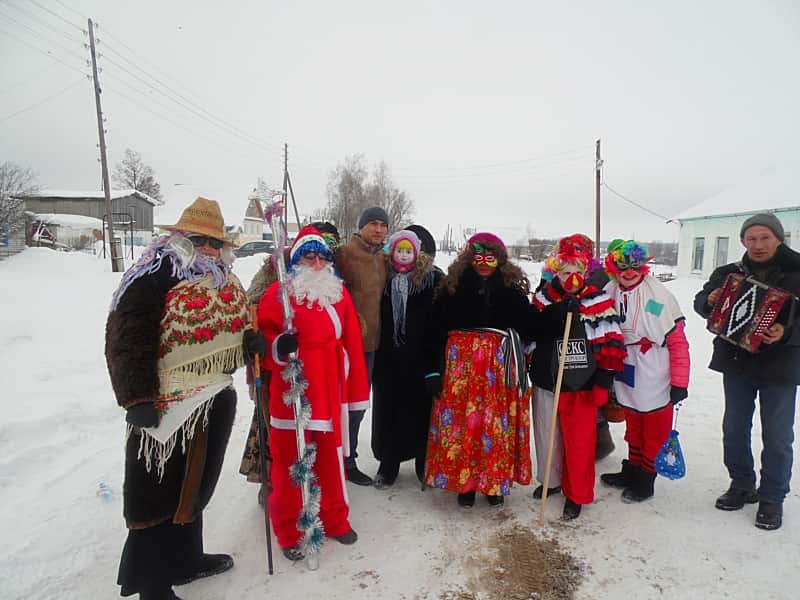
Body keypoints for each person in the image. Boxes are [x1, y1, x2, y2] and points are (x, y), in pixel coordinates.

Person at [105, 197, 262, 600]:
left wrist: (250, 346)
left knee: (194, 487)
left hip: (213, 398)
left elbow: (228, 334)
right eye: (197, 239)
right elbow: (128, 335)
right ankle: (152, 584)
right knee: (157, 492)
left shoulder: (225, 281)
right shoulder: (153, 274)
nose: (207, 248)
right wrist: (136, 397)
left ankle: (187, 560)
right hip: (165, 401)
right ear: (178, 238)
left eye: (214, 242)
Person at [258, 225, 369, 560]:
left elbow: (352, 342)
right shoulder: (278, 294)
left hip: (330, 388)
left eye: (323, 257)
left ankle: (335, 519)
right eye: (309, 256)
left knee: (331, 458)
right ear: (296, 260)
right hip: (293, 390)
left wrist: (356, 391)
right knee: (291, 463)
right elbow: (263, 342)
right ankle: (289, 529)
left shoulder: (339, 293)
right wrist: (279, 346)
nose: (317, 263)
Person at [424, 232, 551, 508]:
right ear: (469, 258)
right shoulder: (452, 288)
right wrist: (433, 371)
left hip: (498, 369)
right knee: (463, 426)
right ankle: (466, 485)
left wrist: (557, 309)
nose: (483, 263)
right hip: (461, 369)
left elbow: (532, 325)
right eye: (478, 257)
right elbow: (434, 331)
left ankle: (493, 483)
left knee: (494, 426)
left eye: (490, 258)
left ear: (499, 260)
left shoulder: (510, 290)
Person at [694, 213, 800, 531]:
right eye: (751, 239)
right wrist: (710, 301)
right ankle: (741, 484)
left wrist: (785, 332)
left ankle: (772, 498)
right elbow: (701, 301)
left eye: (765, 237)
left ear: (779, 238)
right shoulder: (730, 273)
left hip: (781, 366)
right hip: (737, 362)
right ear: (742, 241)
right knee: (734, 428)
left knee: (778, 436)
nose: (758, 245)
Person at [239, 221, 341, 505]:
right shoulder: (274, 270)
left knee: (315, 435)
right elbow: (251, 309)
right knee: (273, 429)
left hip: (316, 373)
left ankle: (315, 490)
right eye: (310, 251)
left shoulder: (329, 274)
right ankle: (271, 482)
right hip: (277, 371)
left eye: (325, 248)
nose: (317, 259)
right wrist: (265, 340)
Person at [530, 241, 625, 519]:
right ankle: (552, 480)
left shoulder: (598, 301)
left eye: (577, 272)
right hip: (548, 380)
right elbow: (531, 335)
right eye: (564, 273)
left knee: (579, 443)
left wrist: (604, 380)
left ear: (585, 273)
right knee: (548, 437)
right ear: (555, 273)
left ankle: (576, 493)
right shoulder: (543, 299)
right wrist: (554, 315)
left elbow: (611, 342)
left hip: (582, 385)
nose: (570, 279)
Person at [600, 240, 690, 502]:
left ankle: (646, 477)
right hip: (625, 363)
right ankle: (633, 468)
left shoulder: (657, 297)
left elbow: (677, 341)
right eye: (622, 267)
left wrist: (680, 382)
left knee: (654, 426)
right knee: (633, 421)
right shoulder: (610, 291)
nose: (629, 273)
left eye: (635, 266)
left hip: (654, 368)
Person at [371, 230, 444, 488]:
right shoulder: (382, 276)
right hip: (387, 359)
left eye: (409, 250)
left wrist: (435, 366)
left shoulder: (432, 280)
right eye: (399, 250)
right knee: (388, 413)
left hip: (420, 359)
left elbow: (439, 324)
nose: (403, 255)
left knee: (421, 412)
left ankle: (423, 463)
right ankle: (388, 463)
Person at [538, 233, 615, 461]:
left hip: (587, 355)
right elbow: (543, 298)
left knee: (587, 413)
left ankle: (597, 444)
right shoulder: (552, 275)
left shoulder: (597, 274)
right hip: (557, 356)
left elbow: (602, 310)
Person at [336, 206, 389, 485]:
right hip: (347, 344)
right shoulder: (344, 254)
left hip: (375, 346)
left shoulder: (384, 258)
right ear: (362, 226)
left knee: (359, 407)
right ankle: (341, 460)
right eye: (373, 224)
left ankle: (348, 458)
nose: (378, 229)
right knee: (345, 406)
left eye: (383, 225)